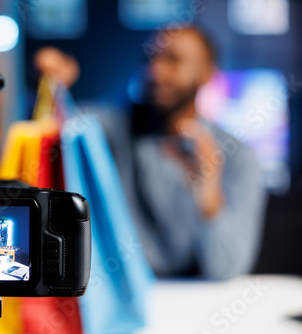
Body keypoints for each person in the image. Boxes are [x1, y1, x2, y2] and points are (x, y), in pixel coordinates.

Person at [109, 26, 267, 280]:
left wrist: (209, 193)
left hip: (194, 303)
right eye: (150, 59)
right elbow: (65, 124)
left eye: (173, 60)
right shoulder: (115, 133)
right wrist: (54, 83)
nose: (155, 72)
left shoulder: (239, 157)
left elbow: (226, 269)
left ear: (206, 73)